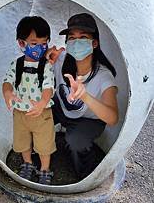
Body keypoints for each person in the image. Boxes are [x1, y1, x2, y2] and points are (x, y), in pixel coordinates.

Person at [48, 13, 119, 181]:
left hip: (88, 120)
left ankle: (86, 175)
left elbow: (113, 118)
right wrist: (44, 58)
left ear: (94, 43)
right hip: (62, 110)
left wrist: (85, 96)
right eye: (71, 38)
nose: (76, 42)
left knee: (76, 143)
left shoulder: (103, 76)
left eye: (83, 37)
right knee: (31, 118)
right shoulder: (60, 60)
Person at [2, 16, 56, 185]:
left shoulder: (46, 66)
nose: (39, 48)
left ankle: (45, 169)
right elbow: (7, 81)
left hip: (42, 114)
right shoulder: (16, 64)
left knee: (44, 143)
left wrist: (42, 103)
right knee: (22, 140)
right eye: (34, 43)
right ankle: (28, 164)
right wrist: (8, 93)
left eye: (43, 43)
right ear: (21, 43)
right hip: (20, 113)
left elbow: (48, 87)